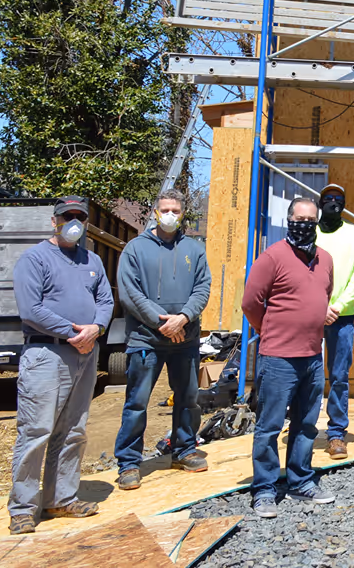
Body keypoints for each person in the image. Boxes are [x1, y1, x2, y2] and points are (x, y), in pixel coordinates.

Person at [7, 195, 116, 535]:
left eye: (79, 217)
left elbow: (106, 299)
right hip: (47, 355)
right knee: (36, 430)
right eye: (66, 216)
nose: (73, 222)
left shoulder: (92, 260)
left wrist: (96, 328)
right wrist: (72, 332)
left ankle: (61, 498)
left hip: (85, 353)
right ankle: (23, 507)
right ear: (53, 221)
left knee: (73, 430)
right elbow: (31, 309)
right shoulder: (35, 259)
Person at [113, 189, 213, 490]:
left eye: (176, 211)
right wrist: (161, 323)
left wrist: (183, 317)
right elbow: (131, 293)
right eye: (165, 209)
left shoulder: (194, 249)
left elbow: (202, 288)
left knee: (187, 398)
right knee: (137, 402)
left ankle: (183, 450)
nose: (170, 215)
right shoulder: (135, 249)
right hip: (146, 340)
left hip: (185, 339)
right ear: (156, 212)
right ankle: (129, 463)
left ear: (183, 214)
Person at [242, 196, 336, 517]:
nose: (305, 225)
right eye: (300, 219)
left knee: (306, 424)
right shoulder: (272, 258)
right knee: (269, 426)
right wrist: (272, 329)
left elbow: (323, 296)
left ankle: (300, 480)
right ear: (289, 219)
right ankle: (265, 489)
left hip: (312, 356)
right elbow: (251, 304)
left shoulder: (325, 259)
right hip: (278, 357)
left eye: (311, 220)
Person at [314, 182, 354, 459]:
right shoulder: (308, 232)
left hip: (341, 317)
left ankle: (336, 434)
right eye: (328, 198)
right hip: (309, 317)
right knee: (307, 376)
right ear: (320, 202)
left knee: (338, 377)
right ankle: (304, 428)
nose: (333, 202)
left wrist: (337, 306)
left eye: (338, 198)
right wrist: (317, 307)